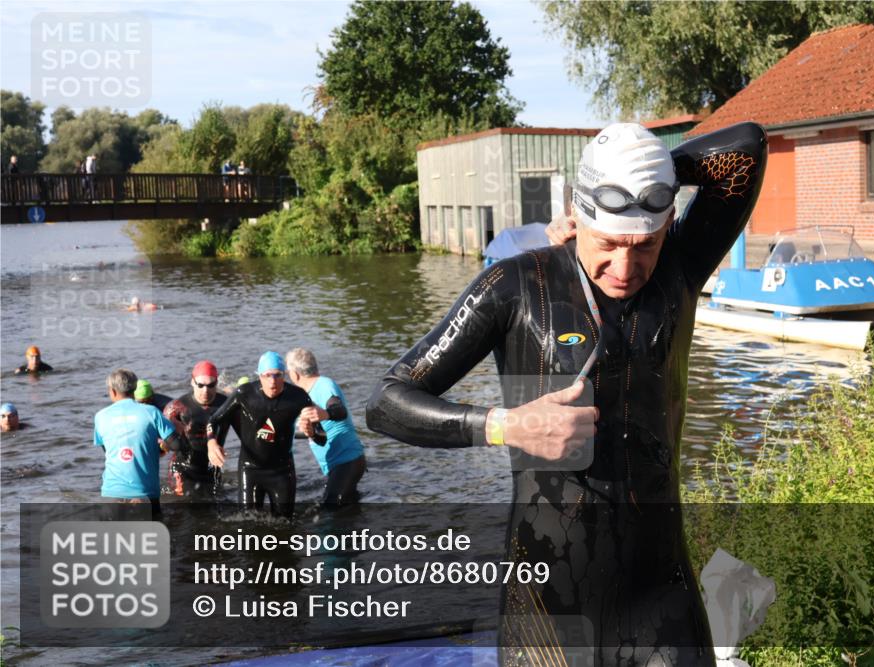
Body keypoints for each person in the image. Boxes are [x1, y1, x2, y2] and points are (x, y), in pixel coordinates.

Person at [367, 122, 767, 665]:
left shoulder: (679, 267)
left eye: (643, 244)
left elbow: (746, 148)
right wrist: (502, 425)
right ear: (575, 215)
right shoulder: (512, 286)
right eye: (608, 244)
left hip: (660, 593)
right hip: (549, 604)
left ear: (668, 221)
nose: (625, 268)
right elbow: (386, 401)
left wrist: (646, 171)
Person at [207, 352, 329, 518]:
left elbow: (322, 439)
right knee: (247, 522)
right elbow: (214, 421)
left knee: (285, 523)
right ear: (260, 376)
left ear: (284, 375)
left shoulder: (298, 397)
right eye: (267, 376)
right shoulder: (244, 394)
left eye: (278, 375)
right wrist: (211, 443)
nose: (273, 381)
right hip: (250, 469)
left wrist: (312, 432)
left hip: (282, 471)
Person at [94, 369, 186, 511]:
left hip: (111, 494)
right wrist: (161, 448)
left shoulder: (100, 416)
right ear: (135, 389)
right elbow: (176, 444)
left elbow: (108, 451)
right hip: (145, 493)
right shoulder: (151, 412)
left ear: (112, 391)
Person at [285, 348, 366, 507]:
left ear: (295, 374)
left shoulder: (324, 385)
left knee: (330, 513)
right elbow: (318, 436)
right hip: (336, 464)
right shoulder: (303, 395)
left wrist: (326, 414)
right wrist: (307, 431)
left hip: (347, 461)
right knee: (349, 512)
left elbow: (339, 410)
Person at [163, 360, 230, 497]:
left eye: (211, 385)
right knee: (185, 509)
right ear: (192, 382)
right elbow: (159, 443)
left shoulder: (227, 404)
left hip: (212, 468)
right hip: (183, 469)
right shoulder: (176, 407)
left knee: (215, 509)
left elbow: (247, 433)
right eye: (200, 385)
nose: (205, 390)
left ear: (217, 383)